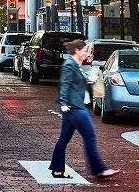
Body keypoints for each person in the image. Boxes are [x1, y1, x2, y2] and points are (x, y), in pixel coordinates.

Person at [49, 39, 119, 180]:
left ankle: (57, 170)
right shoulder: (70, 65)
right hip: (74, 107)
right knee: (90, 136)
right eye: (84, 50)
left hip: (72, 108)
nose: (86, 53)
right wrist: (63, 103)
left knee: (63, 139)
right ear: (77, 51)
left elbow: (76, 82)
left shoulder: (75, 65)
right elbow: (64, 85)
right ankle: (98, 170)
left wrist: (90, 79)